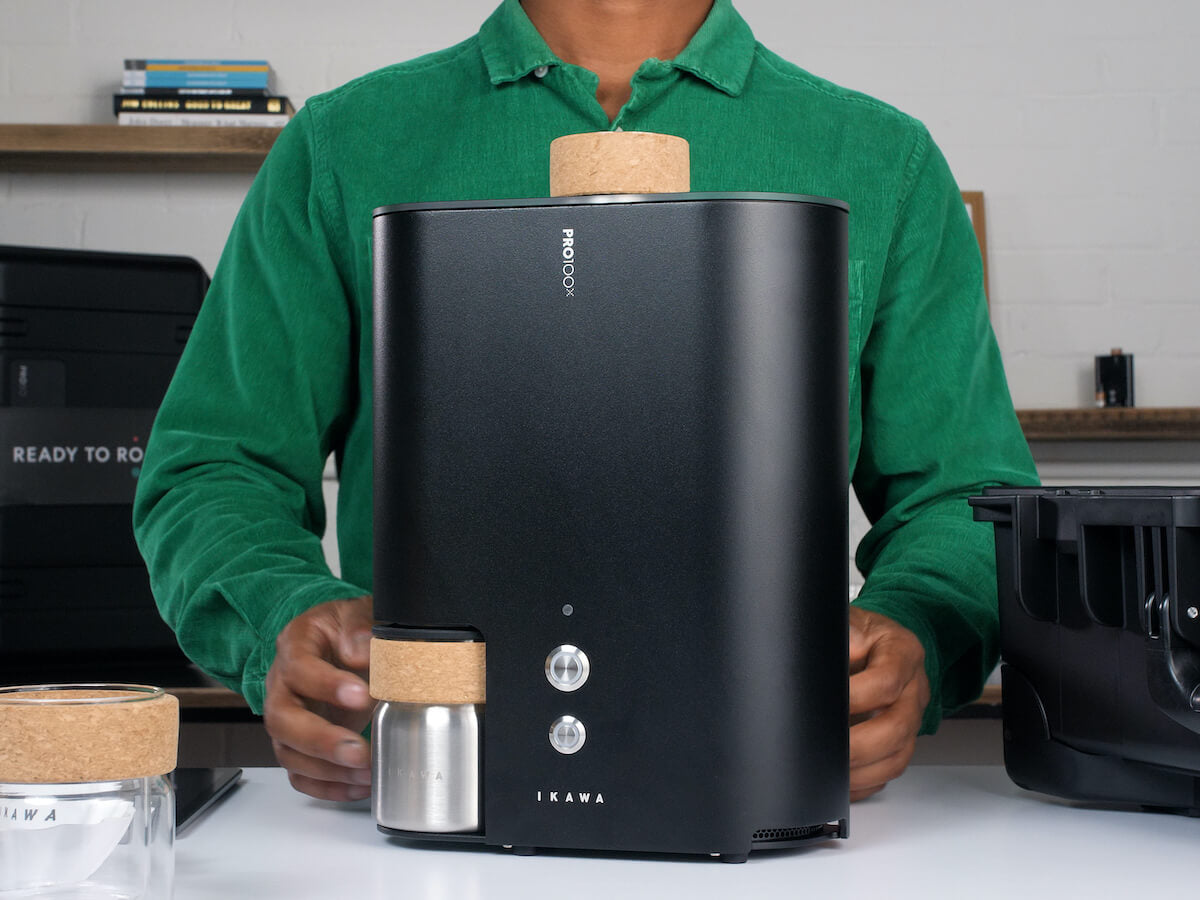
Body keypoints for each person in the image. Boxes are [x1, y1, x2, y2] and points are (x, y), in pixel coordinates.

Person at [133, 0, 1038, 804]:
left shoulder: (882, 161)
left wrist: (913, 634)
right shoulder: (343, 145)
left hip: (760, 794)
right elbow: (215, 467)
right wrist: (285, 619)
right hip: (434, 793)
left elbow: (966, 499)